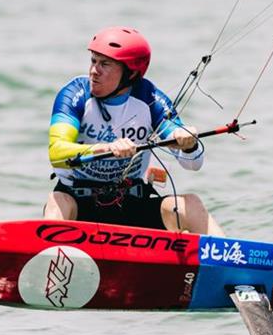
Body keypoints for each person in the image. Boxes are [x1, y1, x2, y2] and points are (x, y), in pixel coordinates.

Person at [44, 26, 225, 235]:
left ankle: (233, 261)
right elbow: (56, 153)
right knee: (57, 201)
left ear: (130, 73)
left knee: (190, 204)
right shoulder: (74, 94)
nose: (94, 70)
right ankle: (50, 258)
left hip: (131, 204)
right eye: (93, 61)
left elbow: (193, 164)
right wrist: (106, 148)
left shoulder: (150, 99)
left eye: (105, 64)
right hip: (78, 202)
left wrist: (188, 143)